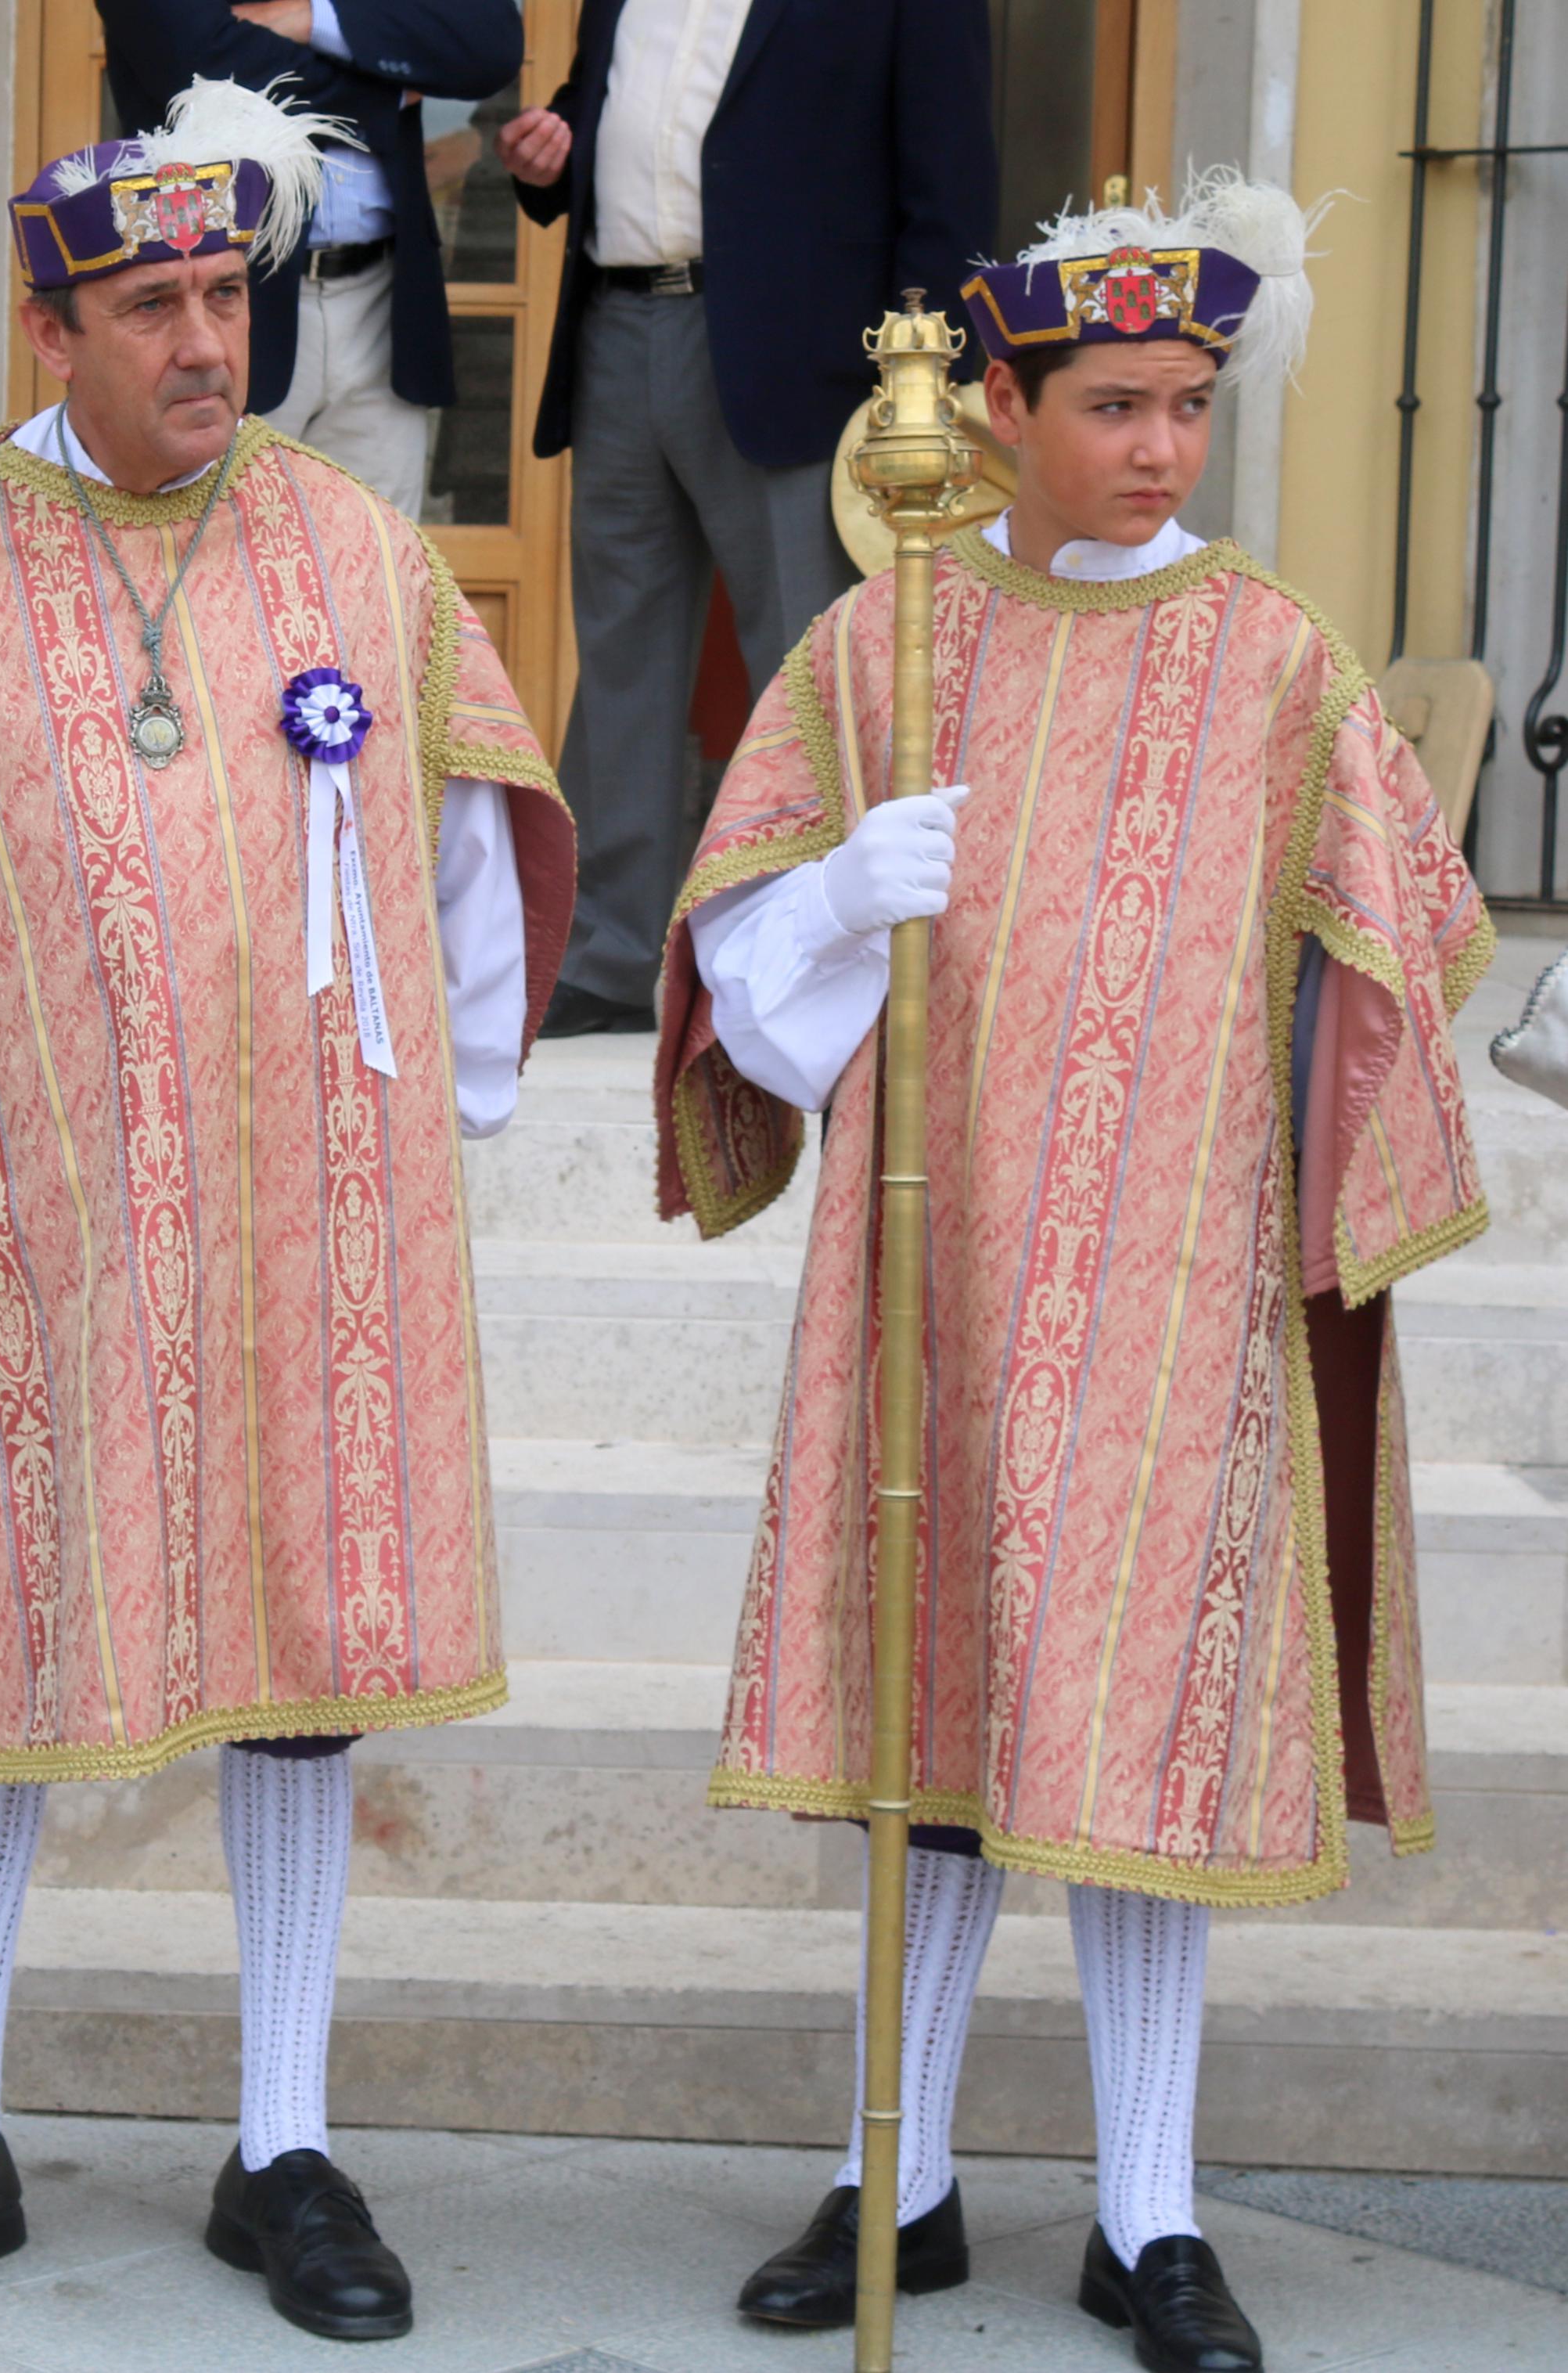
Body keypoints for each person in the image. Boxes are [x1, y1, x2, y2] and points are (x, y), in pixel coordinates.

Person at [0, 79, 574, 2343]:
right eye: (150, 303)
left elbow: (464, 824)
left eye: (225, 295)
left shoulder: (349, 550)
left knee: (296, 1641)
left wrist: (436, 1113)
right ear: (49, 329)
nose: (203, 342)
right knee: (1, 1642)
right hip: (24, 1209)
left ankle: (283, 2144)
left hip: (306, 1204)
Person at [653, 175, 1491, 2373]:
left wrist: (1350, 1085)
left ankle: (1149, 2215)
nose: (1155, 448)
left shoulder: (1278, 663)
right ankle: (897, 2177)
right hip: (932, 1268)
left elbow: (1402, 929)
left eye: (1189, 403)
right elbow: (732, 967)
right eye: (1111, 402)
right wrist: (835, 892)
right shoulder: (885, 641)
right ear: (1000, 405)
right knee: (933, 1719)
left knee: (1143, 1735)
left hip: (1177, 1283)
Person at [497, 0, 995, 1033]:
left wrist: (921, 382)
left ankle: (818, 948)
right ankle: (608, 952)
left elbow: (950, 183)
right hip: (619, 324)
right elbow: (612, 115)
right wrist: (551, 153)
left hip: (808, 358)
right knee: (623, 653)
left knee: (806, 660)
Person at [99, 0, 527, 516]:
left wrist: (312, 17)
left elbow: (490, 43)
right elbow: (194, 61)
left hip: (381, 304)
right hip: (215, 303)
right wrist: (382, 88)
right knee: (209, 575)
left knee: (377, 577)